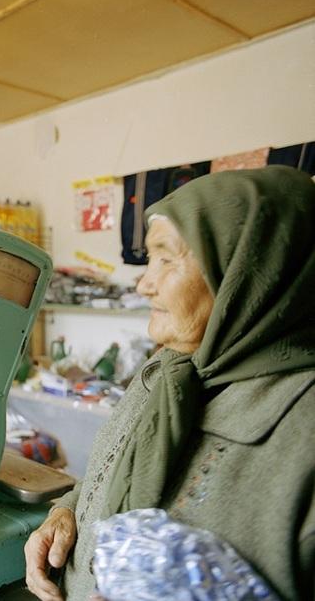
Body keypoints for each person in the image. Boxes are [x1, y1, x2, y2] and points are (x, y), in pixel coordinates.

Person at [24, 165, 314, 601]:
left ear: (243, 269)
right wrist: (65, 514)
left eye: (166, 259)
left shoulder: (303, 420)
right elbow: (106, 478)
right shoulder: (164, 373)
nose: (144, 284)